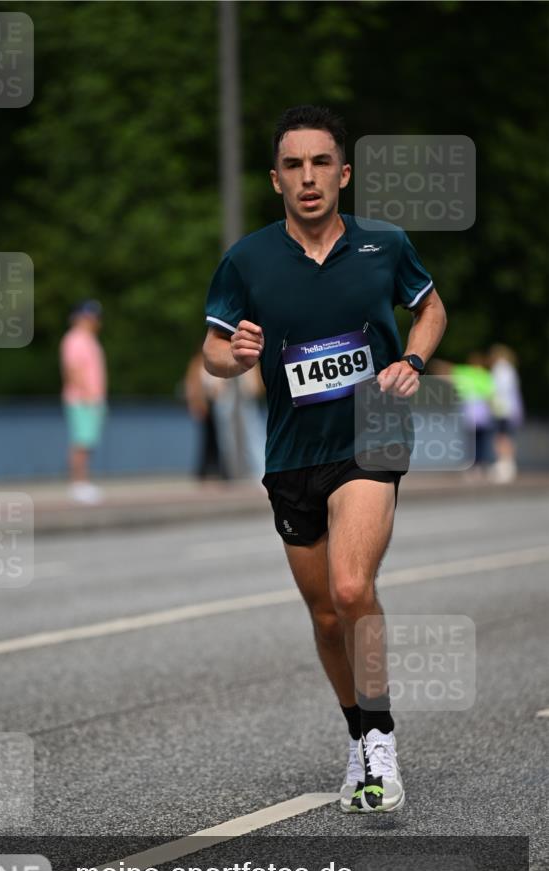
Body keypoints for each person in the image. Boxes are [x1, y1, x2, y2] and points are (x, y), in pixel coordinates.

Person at [203, 106, 447, 813]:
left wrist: (410, 361)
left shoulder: (384, 244)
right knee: (325, 615)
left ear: (342, 174)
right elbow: (213, 350)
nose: (307, 178)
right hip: (291, 451)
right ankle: (355, 733)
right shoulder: (247, 260)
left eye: (319, 163)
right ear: (274, 179)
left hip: (372, 432)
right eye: (293, 165)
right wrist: (234, 355)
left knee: (349, 586)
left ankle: (381, 740)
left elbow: (431, 308)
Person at [60, 300, 107, 503]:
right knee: (81, 442)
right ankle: (78, 484)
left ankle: (82, 482)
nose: (94, 320)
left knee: (87, 442)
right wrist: (88, 395)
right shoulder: (75, 339)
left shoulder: (89, 339)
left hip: (90, 399)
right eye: (90, 316)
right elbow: (72, 369)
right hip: (82, 399)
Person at [185, 349, 229, 480]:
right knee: (207, 438)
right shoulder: (197, 364)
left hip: (219, 403)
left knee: (222, 438)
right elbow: (193, 385)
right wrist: (196, 404)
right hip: (206, 404)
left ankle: (223, 469)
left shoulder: (220, 362)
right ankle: (205, 469)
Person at [488, 344, 524, 483]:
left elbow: (498, 389)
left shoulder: (500, 369)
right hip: (510, 409)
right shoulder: (510, 369)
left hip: (502, 409)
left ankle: (505, 465)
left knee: (501, 437)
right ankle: (508, 464)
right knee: (506, 436)